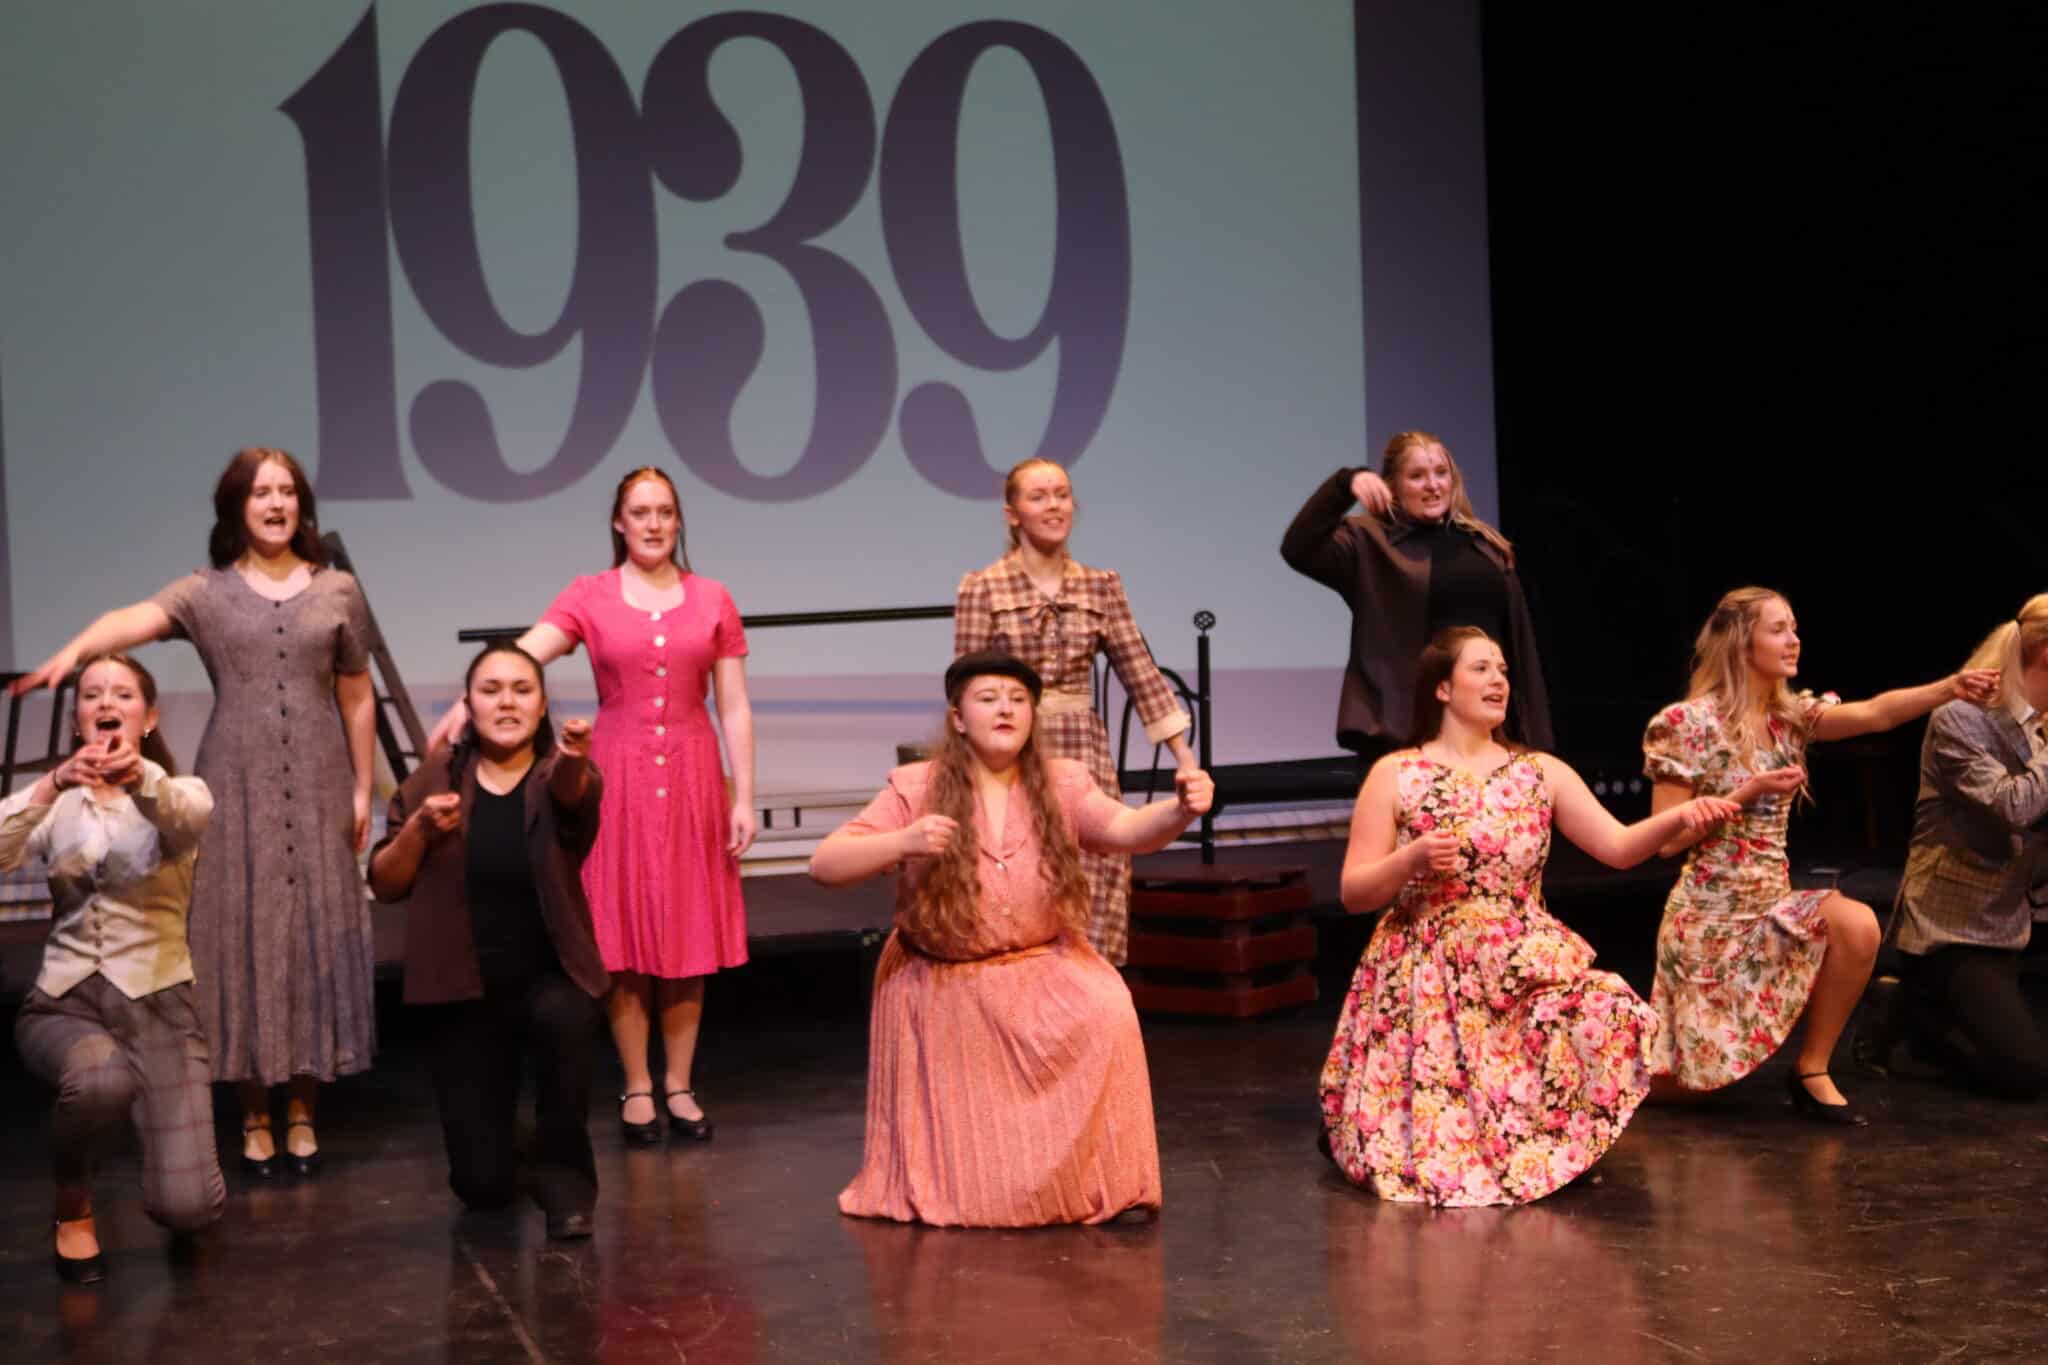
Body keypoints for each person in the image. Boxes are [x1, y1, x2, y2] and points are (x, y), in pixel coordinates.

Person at [11, 447, 377, 1175]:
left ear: (302, 506)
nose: (274, 503)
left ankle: (302, 1104)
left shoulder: (338, 590)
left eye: (286, 492)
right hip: (233, 782)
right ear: (235, 507)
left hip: (318, 781)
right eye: (259, 492)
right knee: (236, 933)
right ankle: (250, 1110)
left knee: (309, 931)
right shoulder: (206, 592)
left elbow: (356, 691)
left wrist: (364, 787)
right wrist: (74, 651)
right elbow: (133, 618)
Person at [1320, 627, 1742, 1206]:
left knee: (1610, 1012)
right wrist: (1411, 858)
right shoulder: (1398, 774)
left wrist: (1681, 816)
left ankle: (1556, 1146)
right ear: (1442, 688)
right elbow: (1353, 891)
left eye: (1503, 671)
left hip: (1522, 956)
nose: (1499, 681)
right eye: (1481, 670)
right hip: (1433, 971)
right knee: (1439, 1148)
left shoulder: (1539, 771)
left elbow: (1617, 847)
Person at [809, 650, 1214, 1226]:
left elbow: (1124, 829)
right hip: (943, 980)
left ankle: (1087, 1181)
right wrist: (902, 843)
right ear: (957, 718)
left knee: (1108, 1009)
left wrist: (1177, 811)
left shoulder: (1062, 781)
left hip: (1041, 966)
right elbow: (826, 864)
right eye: (988, 698)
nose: (1006, 709)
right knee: (982, 1182)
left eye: (1019, 699)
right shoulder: (918, 786)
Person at [428, 466, 753, 1143]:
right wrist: (470, 699)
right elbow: (525, 653)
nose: (654, 522)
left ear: (679, 520)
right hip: (619, 773)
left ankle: (681, 1082)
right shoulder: (590, 594)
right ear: (619, 521)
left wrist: (744, 794)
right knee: (625, 930)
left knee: (688, 932)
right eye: (641, 511)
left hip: (694, 772)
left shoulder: (713, 597)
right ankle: (637, 1083)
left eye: (665, 510)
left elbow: (735, 704)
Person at [1642, 586, 2000, 1123]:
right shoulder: (1686, 725)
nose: (1794, 640)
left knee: (1857, 925)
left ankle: (1811, 1069)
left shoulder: (1790, 718)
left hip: (1770, 905)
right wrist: (1744, 795)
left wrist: (1949, 688)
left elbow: (1876, 714)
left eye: (1794, 628)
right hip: (1707, 922)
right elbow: (1664, 841)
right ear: (1743, 644)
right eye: (1779, 629)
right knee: (1682, 1091)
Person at [371, 644, 608, 1239]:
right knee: (483, 1188)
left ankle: (566, 1184)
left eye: (522, 689)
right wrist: (420, 832)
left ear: (543, 703)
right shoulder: (433, 779)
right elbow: (386, 882)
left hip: (551, 976)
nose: (507, 701)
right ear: (469, 704)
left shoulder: (560, 772)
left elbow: (577, 799)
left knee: (566, 1022)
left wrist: (576, 757)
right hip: (463, 988)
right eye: (492, 689)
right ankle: (510, 1145)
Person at [1, 654, 225, 1282]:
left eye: (123, 694)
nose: (106, 703)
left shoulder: (180, 792)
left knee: (189, 1209)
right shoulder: (59, 802)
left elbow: (184, 819)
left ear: (147, 716)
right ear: (78, 718)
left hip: (158, 1004)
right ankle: (73, 1198)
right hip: (63, 1003)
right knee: (98, 1077)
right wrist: (49, 785)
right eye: (92, 694)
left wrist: (139, 778)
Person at [953, 458, 1194, 966]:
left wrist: (1184, 758)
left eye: (1061, 494)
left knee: (1097, 868)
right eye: (1038, 496)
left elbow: (1140, 671)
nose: (1053, 505)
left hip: (1084, 747)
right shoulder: (984, 588)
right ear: (1012, 513)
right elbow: (967, 688)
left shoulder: (1098, 586)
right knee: (1025, 866)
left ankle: (1093, 991)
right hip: (1014, 750)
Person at [1281, 430, 1553, 759]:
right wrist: (1344, 485)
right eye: (1417, 476)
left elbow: (1519, 647)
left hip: (1488, 734)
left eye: (1441, 473)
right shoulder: (1369, 542)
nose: (1433, 485)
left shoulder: (1485, 545)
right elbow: (1297, 548)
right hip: (1407, 734)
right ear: (1392, 486)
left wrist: (1535, 736)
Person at [1877, 595, 2048, 1098]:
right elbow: (2012, 805)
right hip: (1955, 924)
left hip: (2016, 913)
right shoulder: (1962, 719)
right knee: (2026, 1075)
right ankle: (1910, 1014)